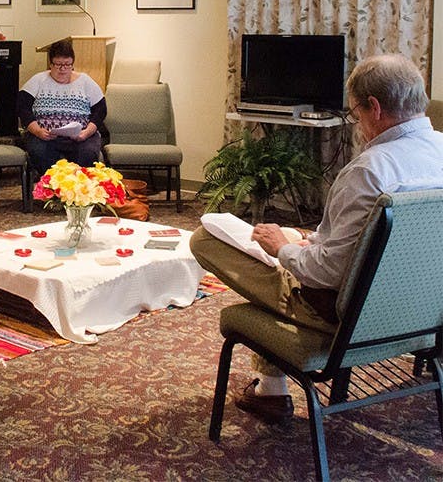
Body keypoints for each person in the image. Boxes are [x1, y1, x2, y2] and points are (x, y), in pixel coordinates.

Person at [190, 53, 443, 424]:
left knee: (206, 241)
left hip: (344, 316)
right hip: (422, 316)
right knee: (292, 244)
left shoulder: (369, 171)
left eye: (355, 114)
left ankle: (272, 393)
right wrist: (309, 243)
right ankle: (270, 388)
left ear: (374, 108)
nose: (357, 124)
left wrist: (283, 248)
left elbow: (323, 275)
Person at [17, 39, 106, 173]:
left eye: (67, 64)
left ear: (72, 63)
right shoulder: (38, 80)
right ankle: (52, 190)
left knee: (87, 153)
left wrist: (86, 133)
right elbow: (22, 108)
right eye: (58, 64)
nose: (63, 69)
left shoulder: (85, 81)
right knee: (40, 153)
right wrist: (37, 131)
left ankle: (78, 190)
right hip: (44, 135)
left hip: (80, 135)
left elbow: (100, 110)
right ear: (50, 64)